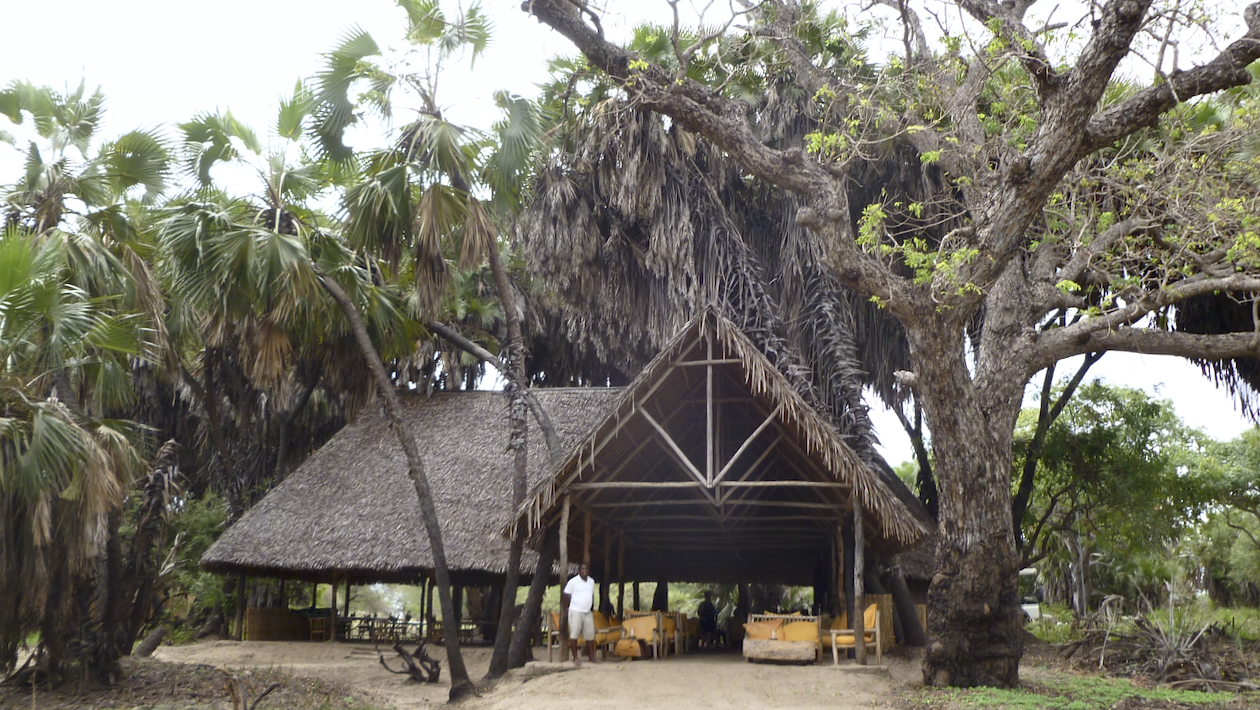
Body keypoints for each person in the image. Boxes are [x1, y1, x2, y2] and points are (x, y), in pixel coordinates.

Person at [562, 562, 598, 665]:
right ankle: (575, 658)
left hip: (587, 612)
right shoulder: (573, 582)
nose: (584, 571)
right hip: (576, 611)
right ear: (579, 571)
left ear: (588, 571)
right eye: (582, 569)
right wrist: (567, 608)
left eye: (586, 569)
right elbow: (565, 595)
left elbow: (591, 595)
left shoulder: (591, 581)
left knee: (590, 634)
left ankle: (592, 657)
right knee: (574, 633)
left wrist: (591, 607)